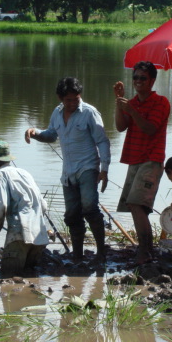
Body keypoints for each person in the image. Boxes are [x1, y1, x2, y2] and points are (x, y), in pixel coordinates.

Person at [25, 77, 110, 264]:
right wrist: (35, 132)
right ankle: (77, 255)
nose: (72, 103)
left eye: (76, 99)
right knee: (72, 214)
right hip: (68, 173)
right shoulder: (57, 113)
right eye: (68, 100)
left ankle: (101, 253)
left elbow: (102, 141)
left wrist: (104, 169)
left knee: (89, 208)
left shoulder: (89, 113)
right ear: (60, 98)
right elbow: (51, 135)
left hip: (88, 167)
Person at [114, 61, 170, 263]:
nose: (138, 81)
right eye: (135, 77)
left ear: (152, 81)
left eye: (142, 78)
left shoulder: (161, 102)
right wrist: (119, 102)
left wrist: (131, 109)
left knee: (136, 204)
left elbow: (150, 128)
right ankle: (145, 249)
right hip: (134, 159)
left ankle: (146, 251)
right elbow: (120, 127)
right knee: (136, 206)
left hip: (152, 160)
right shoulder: (132, 102)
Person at [0, 140, 50, 277]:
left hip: (18, 236)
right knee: (31, 280)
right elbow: (43, 205)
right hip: (39, 237)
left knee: (8, 279)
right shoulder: (25, 173)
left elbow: (1, 207)